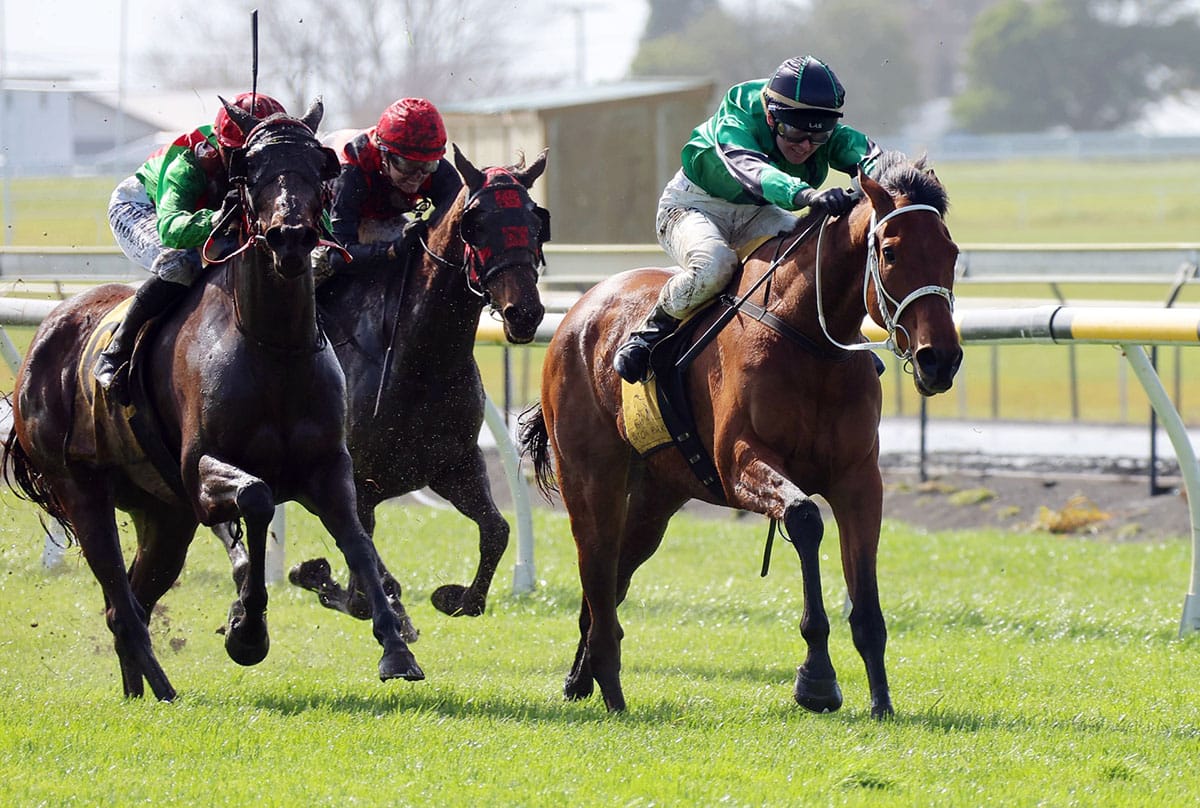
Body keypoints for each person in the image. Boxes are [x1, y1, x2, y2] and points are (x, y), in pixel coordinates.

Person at [613, 55, 882, 384]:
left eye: (819, 137)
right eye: (794, 133)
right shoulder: (739, 112)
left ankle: (846, 337)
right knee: (715, 265)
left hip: (757, 211)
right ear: (771, 116)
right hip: (693, 205)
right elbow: (754, 170)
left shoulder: (816, 131)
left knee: (816, 251)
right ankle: (649, 332)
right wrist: (809, 196)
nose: (806, 146)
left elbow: (872, 156)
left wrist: (895, 179)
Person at [97, 91, 289, 402]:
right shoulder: (188, 164)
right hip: (142, 207)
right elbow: (172, 230)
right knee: (180, 264)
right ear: (224, 148)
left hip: (200, 214)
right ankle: (116, 351)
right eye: (244, 159)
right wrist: (216, 219)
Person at [321, 97, 462, 277]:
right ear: (383, 155)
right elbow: (338, 256)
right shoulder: (351, 173)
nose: (417, 176)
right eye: (407, 165)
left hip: (381, 213)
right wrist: (391, 250)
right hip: (325, 215)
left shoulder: (438, 169)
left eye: (427, 166)